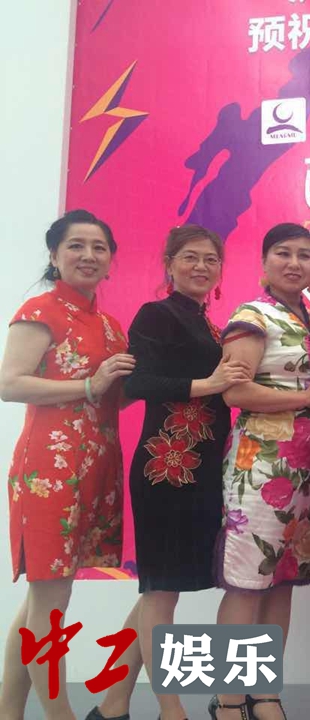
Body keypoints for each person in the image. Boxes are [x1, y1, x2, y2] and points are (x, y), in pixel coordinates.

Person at [87, 225, 251, 720]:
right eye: (190, 257)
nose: (201, 266)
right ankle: (172, 709)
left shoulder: (212, 325)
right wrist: (209, 383)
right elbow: (138, 382)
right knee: (161, 590)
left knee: (161, 588)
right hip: (166, 468)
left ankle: (112, 704)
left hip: (203, 469)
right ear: (170, 264)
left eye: (210, 259)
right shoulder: (156, 314)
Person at [0, 210, 139, 720]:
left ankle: (8, 711)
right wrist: (88, 385)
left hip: (95, 467)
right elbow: (9, 383)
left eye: (99, 247)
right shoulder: (40, 310)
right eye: (76, 245)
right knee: (50, 600)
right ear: (54, 254)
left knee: (43, 599)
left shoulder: (109, 324)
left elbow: (111, 397)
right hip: (49, 472)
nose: (88, 255)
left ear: (111, 259)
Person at [210, 223, 310, 720]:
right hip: (260, 467)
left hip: (307, 471)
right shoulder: (253, 315)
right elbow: (235, 391)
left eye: (305, 255)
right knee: (248, 581)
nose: (294, 263)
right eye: (283, 253)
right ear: (265, 262)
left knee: (282, 580)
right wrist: (308, 396)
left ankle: (264, 693)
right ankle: (228, 699)